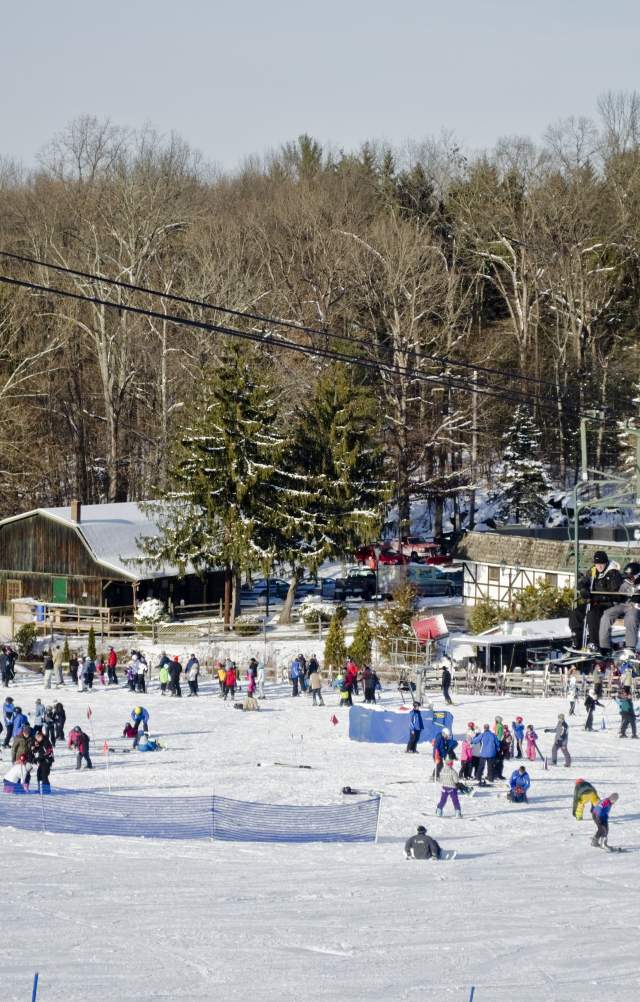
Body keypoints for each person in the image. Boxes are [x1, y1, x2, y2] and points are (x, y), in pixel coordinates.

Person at [569, 550, 623, 650]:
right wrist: (583, 589)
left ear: (606, 562)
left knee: (592, 614)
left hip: (608, 603)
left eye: (601, 564)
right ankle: (577, 639)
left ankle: (596, 642)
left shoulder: (613, 573)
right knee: (575, 613)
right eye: (597, 564)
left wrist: (596, 597)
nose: (599, 566)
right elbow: (583, 581)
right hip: (594, 602)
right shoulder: (593, 571)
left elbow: (615, 594)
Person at [598, 561, 640, 656]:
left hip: (636, 607)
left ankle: (630, 646)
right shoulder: (626, 583)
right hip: (624, 605)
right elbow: (619, 596)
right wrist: (616, 598)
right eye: (628, 577)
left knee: (631, 618)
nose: (630, 579)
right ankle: (605, 646)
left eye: (631, 577)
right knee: (607, 614)